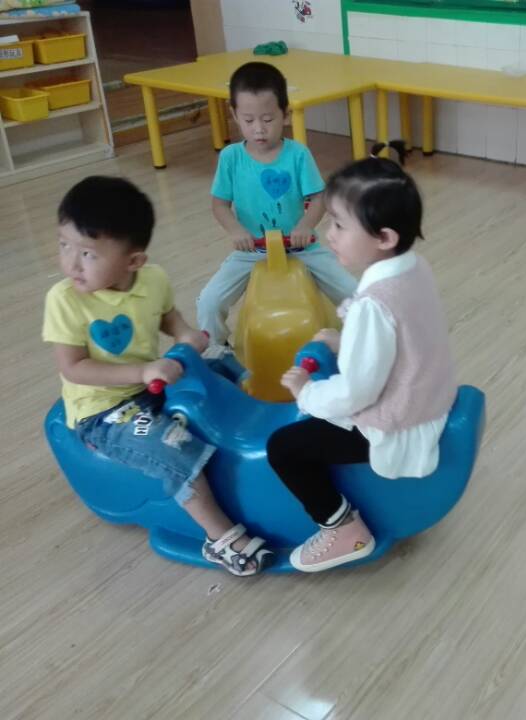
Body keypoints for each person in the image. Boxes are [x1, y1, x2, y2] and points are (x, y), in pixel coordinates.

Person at [43, 176, 273, 575]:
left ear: (133, 262)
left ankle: (261, 442)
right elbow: (73, 368)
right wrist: (144, 369)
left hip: (152, 384)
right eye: (65, 245)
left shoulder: (153, 279)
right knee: (173, 448)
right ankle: (219, 537)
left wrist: (185, 334)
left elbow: (166, 315)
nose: (72, 264)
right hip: (105, 409)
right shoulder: (64, 300)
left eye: (88, 254)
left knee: (222, 367)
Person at [266, 158, 457, 573]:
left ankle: (344, 530)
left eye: (339, 224)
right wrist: (346, 342)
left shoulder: (373, 303)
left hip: (398, 421)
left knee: (283, 447)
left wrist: (307, 392)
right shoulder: (413, 266)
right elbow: (405, 336)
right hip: (429, 395)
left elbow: (356, 392)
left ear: (384, 237)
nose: (328, 234)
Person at [197, 61, 357, 353]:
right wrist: (236, 231)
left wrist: (305, 226)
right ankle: (216, 352)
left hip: (302, 248)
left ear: (286, 114)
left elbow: (319, 197)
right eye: (248, 120)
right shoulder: (231, 157)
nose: (258, 129)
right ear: (234, 114)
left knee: (352, 292)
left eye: (268, 119)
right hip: (252, 252)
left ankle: (359, 342)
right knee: (209, 302)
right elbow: (219, 204)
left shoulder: (298, 154)